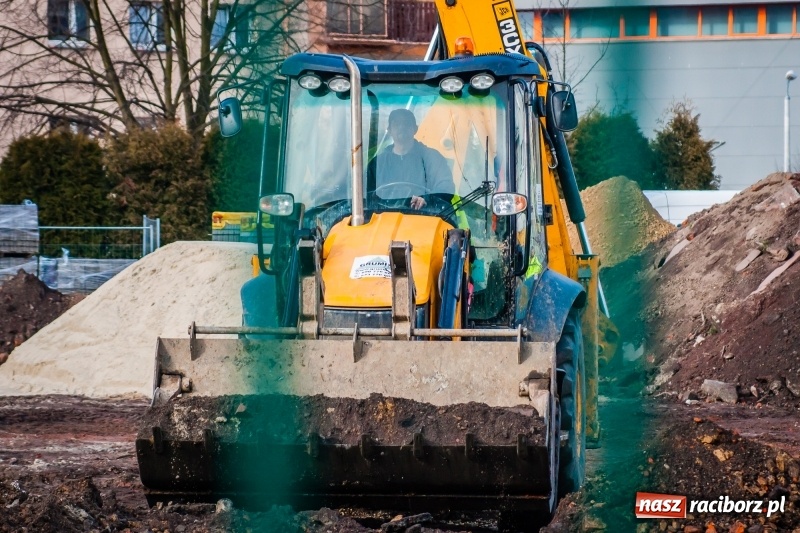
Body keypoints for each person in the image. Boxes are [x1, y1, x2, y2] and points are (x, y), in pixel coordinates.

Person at [368, 109, 454, 209]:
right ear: (389, 130)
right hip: (384, 219)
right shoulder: (377, 163)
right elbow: (365, 194)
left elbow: (445, 186)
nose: (402, 127)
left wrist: (427, 199)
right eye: (396, 124)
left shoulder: (432, 157)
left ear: (415, 129)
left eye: (407, 124)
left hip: (426, 216)